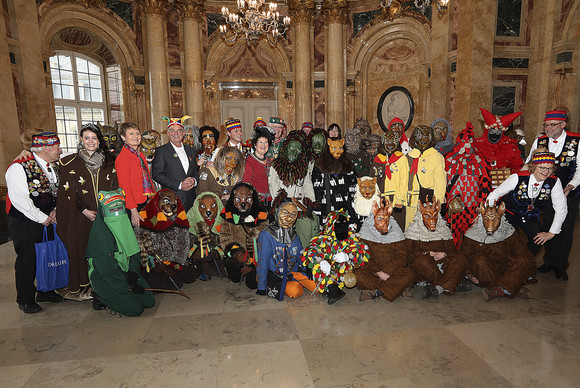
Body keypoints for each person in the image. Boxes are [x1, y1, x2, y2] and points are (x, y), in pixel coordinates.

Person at [56, 123, 118, 302]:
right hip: (80, 216)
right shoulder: (69, 163)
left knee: (105, 250)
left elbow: (116, 188)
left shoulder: (110, 161)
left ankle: (102, 283)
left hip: (106, 215)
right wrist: (83, 210)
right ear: (81, 140)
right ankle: (84, 284)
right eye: (87, 138)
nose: (91, 141)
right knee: (82, 248)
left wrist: (107, 209)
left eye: (94, 138)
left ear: (99, 141)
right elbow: (67, 191)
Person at [5, 131, 64, 313]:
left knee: (46, 255)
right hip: (26, 221)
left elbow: (55, 190)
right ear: (45, 148)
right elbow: (20, 200)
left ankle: (45, 290)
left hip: (48, 218)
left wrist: (54, 211)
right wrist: (42, 218)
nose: (60, 151)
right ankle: (25, 298)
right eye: (56, 147)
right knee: (28, 259)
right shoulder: (18, 167)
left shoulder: (52, 165)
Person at [488, 149, 567, 277]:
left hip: (530, 216)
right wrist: (488, 215)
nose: (546, 172)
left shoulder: (554, 182)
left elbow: (561, 208)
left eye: (550, 169)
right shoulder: (517, 177)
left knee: (538, 240)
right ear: (533, 166)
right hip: (510, 215)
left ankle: (520, 265)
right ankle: (508, 268)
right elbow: (494, 195)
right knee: (512, 242)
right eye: (542, 168)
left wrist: (551, 233)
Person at [525, 110, 579, 281]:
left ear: (563, 125)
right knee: (547, 225)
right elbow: (528, 164)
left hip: (568, 192)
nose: (548, 128)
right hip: (545, 193)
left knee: (565, 228)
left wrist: (572, 184)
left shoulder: (576, 142)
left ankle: (560, 265)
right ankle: (548, 261)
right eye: (546, 125)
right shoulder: (539, 141)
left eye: (552, 125)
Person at [256, 201, 316, 300]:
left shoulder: (294, 235)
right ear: (278, 213)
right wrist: (261, 287)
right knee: (295, 290)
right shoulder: (267, 235)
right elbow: (262, 262)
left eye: (293, 215)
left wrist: (308, 265)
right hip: (276, 276)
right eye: (285, 213)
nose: (289, 218)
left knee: (317, 286)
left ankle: (296, 283)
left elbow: (300, 255)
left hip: (292, 273)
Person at [151, 116, 199, 212]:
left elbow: (195, 171)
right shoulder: (161, 151)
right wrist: (179, 185)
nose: (176, 133)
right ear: (168, 133)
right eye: (172, 130)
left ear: (183, 133)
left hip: (190, 199)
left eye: (179, 130)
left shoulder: (191, 151)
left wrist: (194, 180)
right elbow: (156, 174)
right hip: (171, 200)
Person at [115, 122, 156, 227]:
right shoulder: (122, 158)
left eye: (138, 133)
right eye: (131, 133)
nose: (136, 136)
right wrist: (133, 211)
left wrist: (153, 198)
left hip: (145, 201)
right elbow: (125, 187)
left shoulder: (140, 155)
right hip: (133, 206)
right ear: (123, 137)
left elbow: (148, 179)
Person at [242, 126, 274, 208]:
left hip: (271, 202)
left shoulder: (270, 161)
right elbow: (246, 185)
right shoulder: (249, 161)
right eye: (260, 142)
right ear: (255, 145)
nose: (263, 145)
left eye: (266, 142)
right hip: (256, 203)